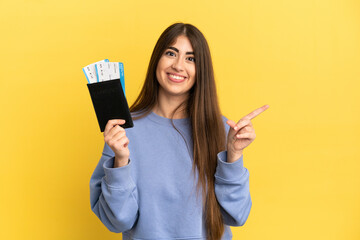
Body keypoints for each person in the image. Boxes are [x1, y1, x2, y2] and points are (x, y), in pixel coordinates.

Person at [90, 23, 269, 240]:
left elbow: (237, 215)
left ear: (201, 70)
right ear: (157, 59)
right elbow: (117, 221)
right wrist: (120, 161)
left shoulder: (221, 129)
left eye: (190, 58)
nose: (178, 65)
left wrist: (234, 156)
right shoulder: (123, 131)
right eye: (170, 53)